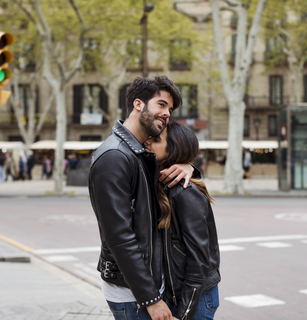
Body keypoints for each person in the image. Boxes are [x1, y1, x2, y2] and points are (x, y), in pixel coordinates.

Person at [88, 76, 197, 320]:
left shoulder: (139, 151)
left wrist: (188, 166)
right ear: (138, 104)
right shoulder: (115, 157)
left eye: (169, 109)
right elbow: (120, 238)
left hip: (145, 286)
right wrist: (151, 300)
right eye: (161, 104)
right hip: (134, 295)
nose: (167, 113)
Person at [145, 122, 220, 320]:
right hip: (177, 292)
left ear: (173, 149)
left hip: (195, 297)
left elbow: (199, 260)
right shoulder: (164, 185)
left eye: (155, 140)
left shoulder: (185, 193)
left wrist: (185, 313)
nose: (147, 143)